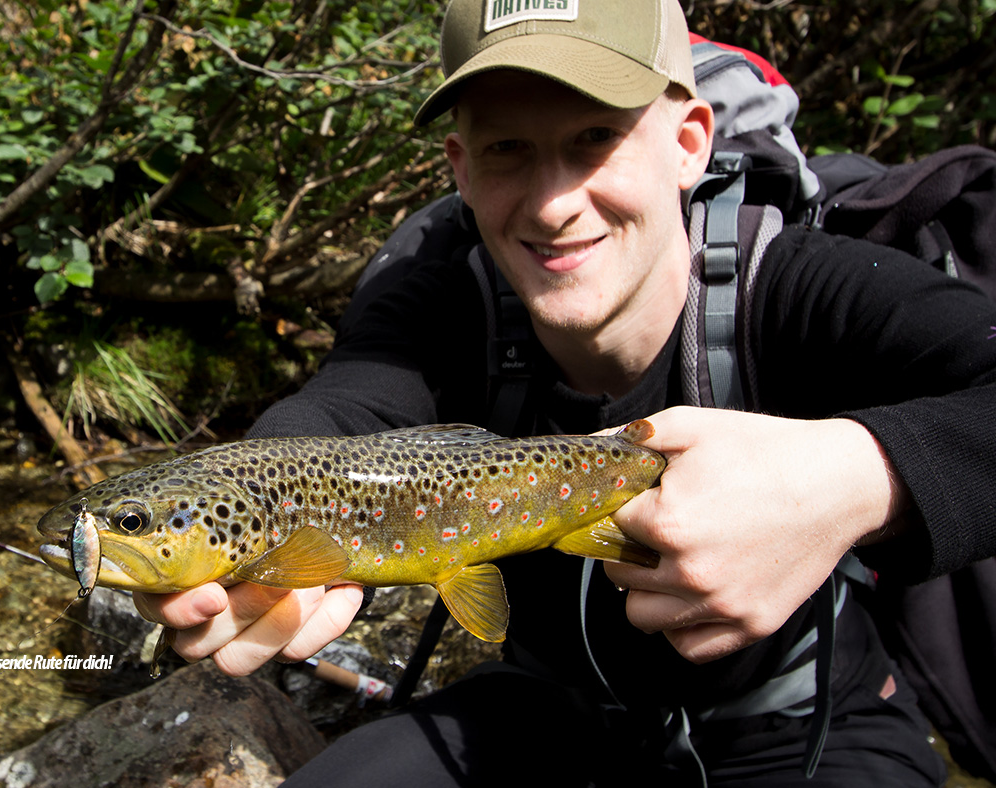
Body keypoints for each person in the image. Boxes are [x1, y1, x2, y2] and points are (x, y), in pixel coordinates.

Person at [134, 0, 996, 783]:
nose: (552, 206)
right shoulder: (436, 292)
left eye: (595, 138)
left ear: (689, 142)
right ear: (461, 169)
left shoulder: (802, 287)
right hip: (542, 712)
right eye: (509, 149)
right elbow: (350, 405)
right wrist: (251, 498)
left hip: (801, 722)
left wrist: (853, 478)